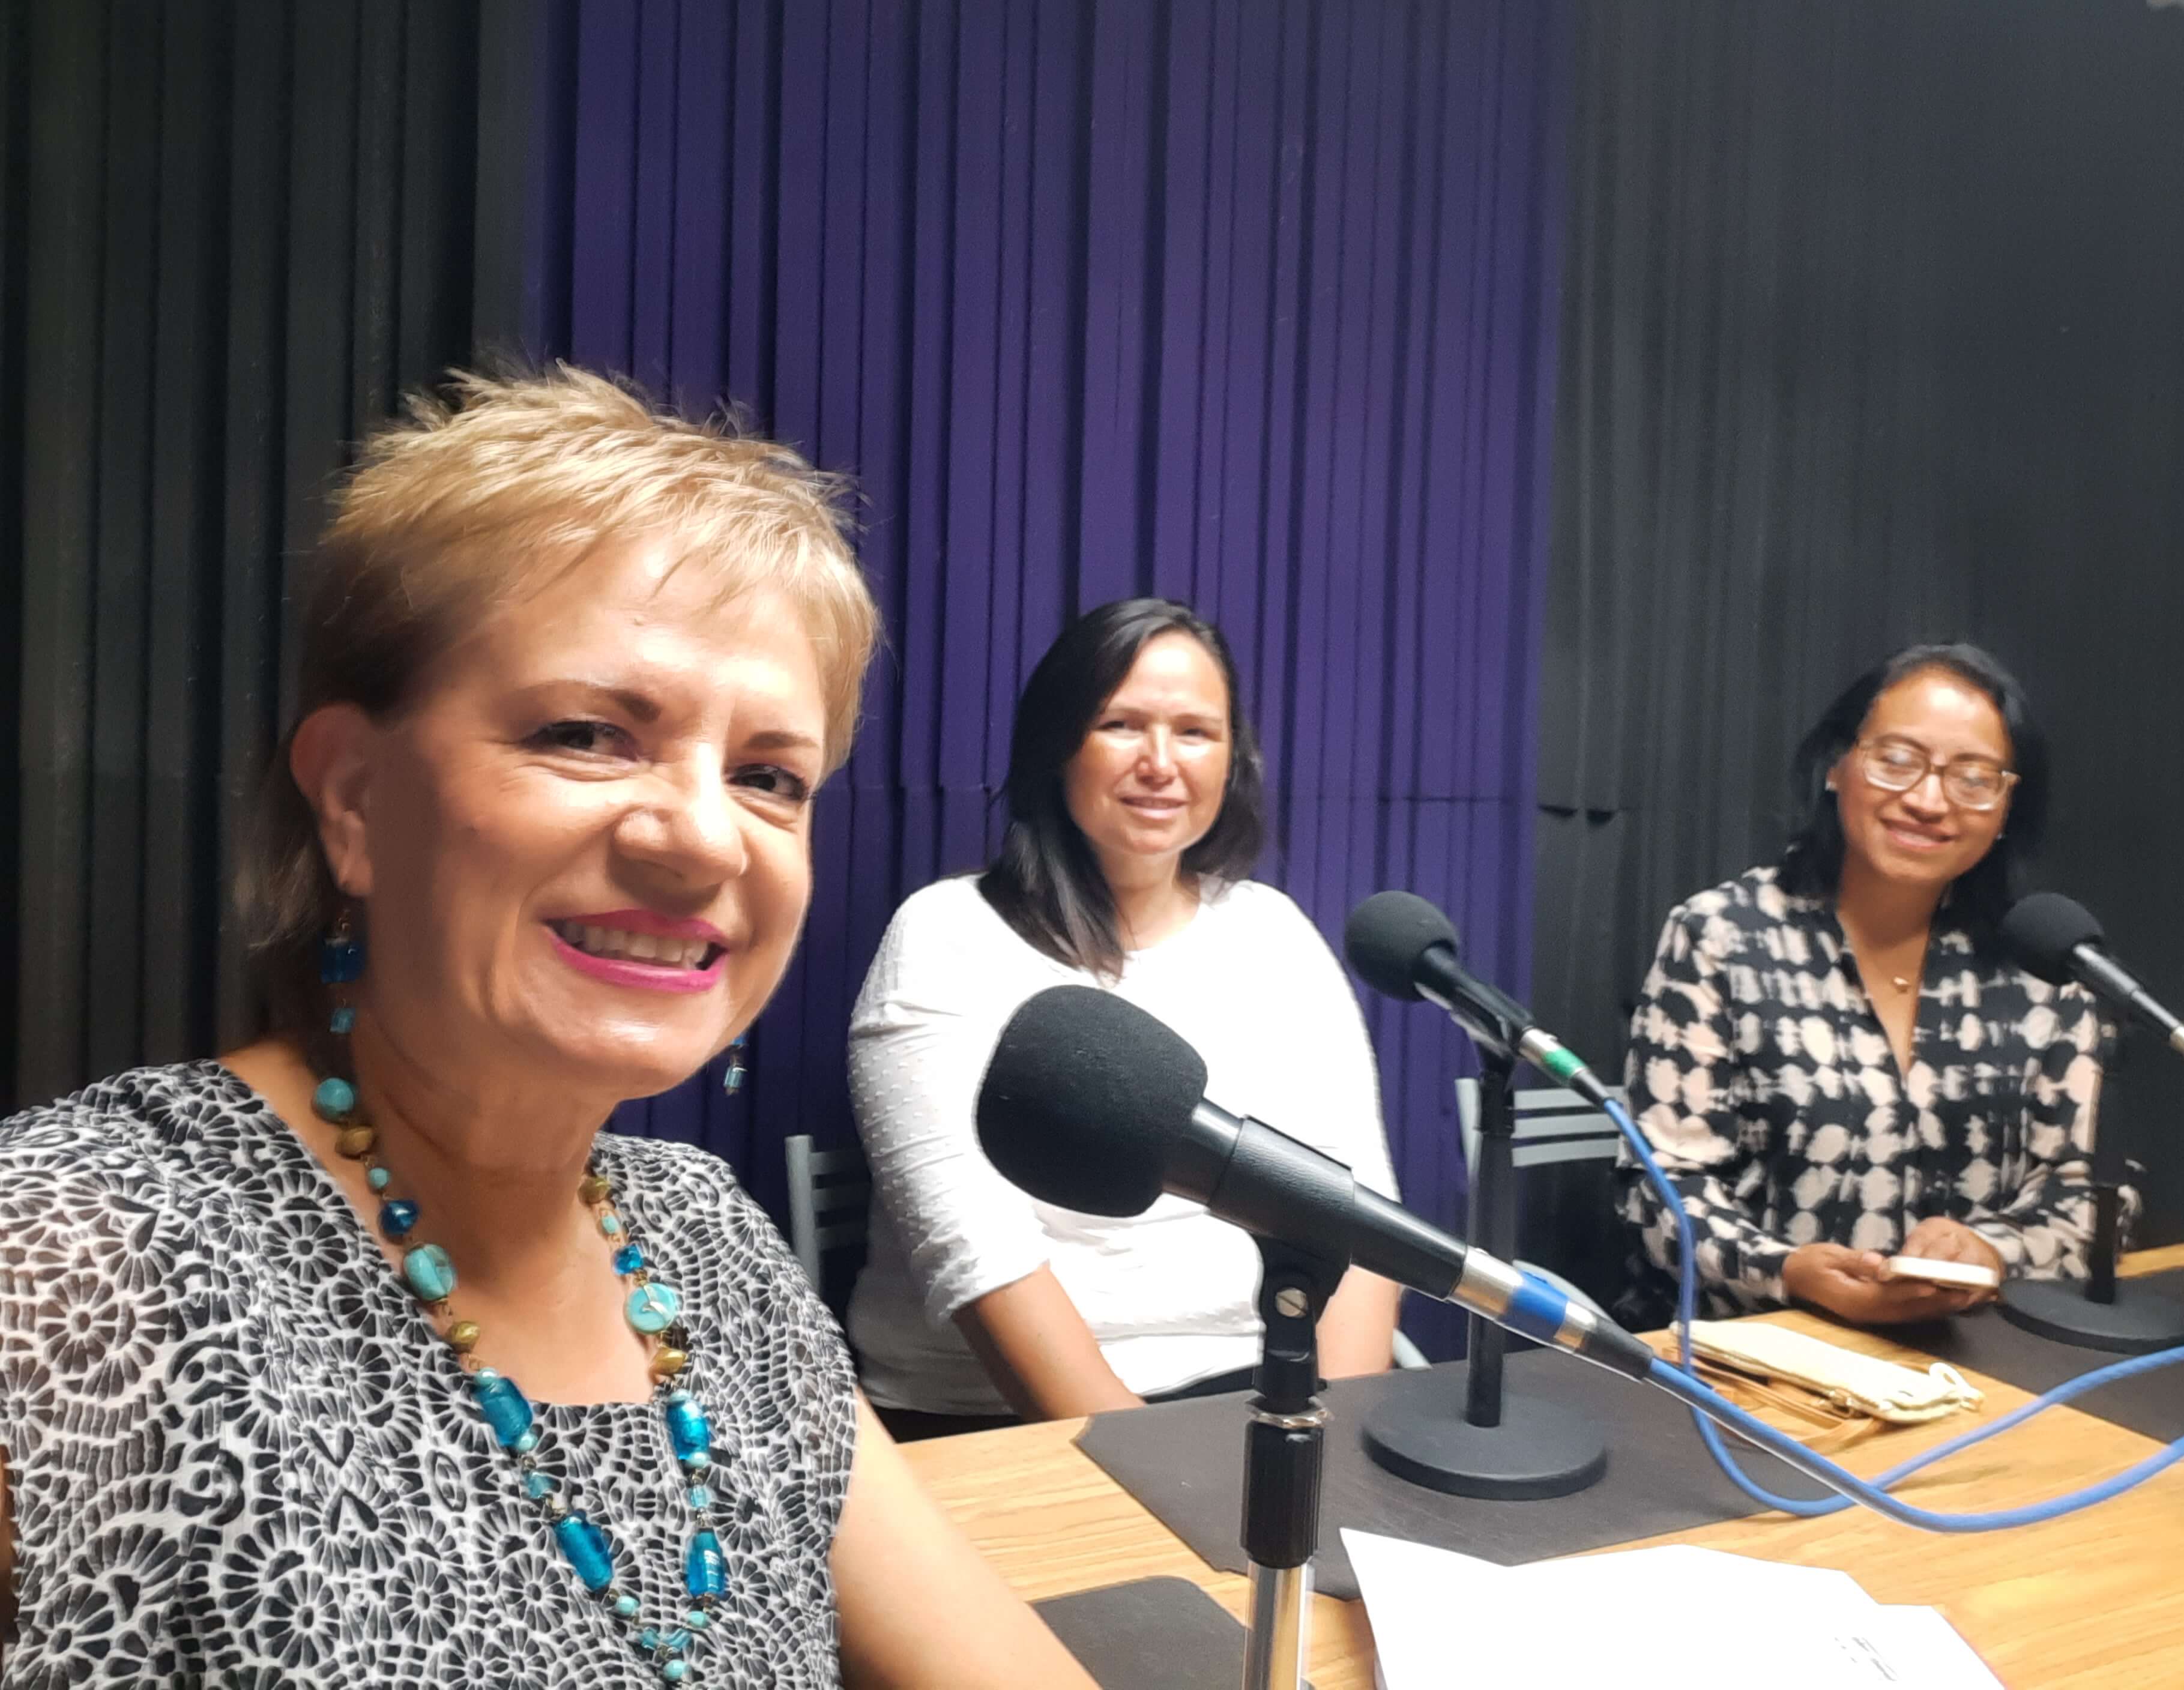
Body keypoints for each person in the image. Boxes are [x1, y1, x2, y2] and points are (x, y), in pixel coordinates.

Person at [0, 368, 1094, 1688]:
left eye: (768, 776)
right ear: (353, 800)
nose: (700, 838)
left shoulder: (701, 1246)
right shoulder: (72, 1264)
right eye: (587, 735)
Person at [846, 599, 1402, 1438]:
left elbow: (1358, 1216)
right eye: (1121, 725)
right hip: (1002, 1422)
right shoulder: (947, 937)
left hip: (1264, 1401)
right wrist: (1173, 1484)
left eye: (1195, 732)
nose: (1160, 763)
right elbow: (981, 1261)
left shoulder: (1273, 933)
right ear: (1058, 746)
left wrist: (1334, 1442)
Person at [1611, 642, 2119, 1330]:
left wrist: (1992, 1252)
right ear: (1836, 766)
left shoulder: (2043, 961)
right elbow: (1660, 1189)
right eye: (1898, 761)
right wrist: (1787, 1272)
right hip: (1755, 1356)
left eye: (1973, 777)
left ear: (2005, 808)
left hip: (1977, 1359)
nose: (1930, 800)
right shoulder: (1722, 936)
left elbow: (2084, 1192)